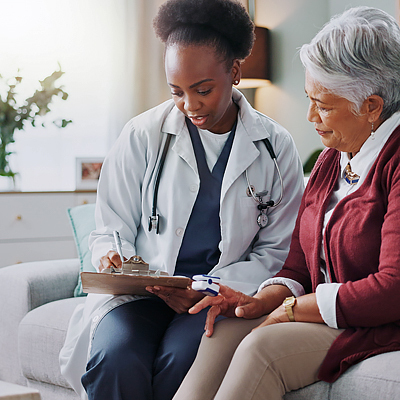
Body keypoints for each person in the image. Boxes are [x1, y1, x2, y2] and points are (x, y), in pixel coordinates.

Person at [172, 6, 400, 400]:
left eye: (324, 105)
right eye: (311, 99)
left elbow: (395, 292)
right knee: (224, 330)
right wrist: (261, 301)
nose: (310, 116)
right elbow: (298, 264)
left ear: (372, 106)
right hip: (344, 313)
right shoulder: (334, 156)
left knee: (264, 349)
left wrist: (293, 310)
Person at [58, 0, 304, 399]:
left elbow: (278, 249)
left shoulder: (276, 148)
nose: (190, 106)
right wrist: (113, 256)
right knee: (116, 357)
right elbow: (111, 227)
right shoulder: (142, 135)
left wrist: (213, 288)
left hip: (214, 297)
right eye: (177, 92)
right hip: (142, 292)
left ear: (235, 72)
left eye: (202, 90)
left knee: (183, 360)